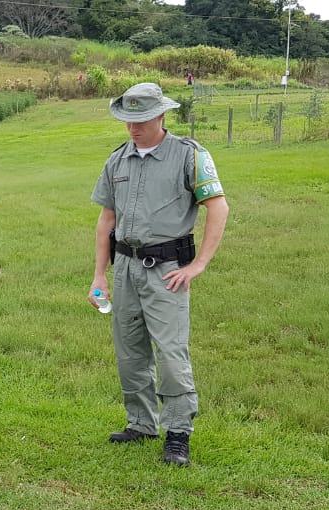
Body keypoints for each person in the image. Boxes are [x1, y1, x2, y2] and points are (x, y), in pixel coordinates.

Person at [89, 82, 229, 466]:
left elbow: (218, 207)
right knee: (129, 351)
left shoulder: (189, 155)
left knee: (170, 353)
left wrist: (198, 265)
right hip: (125, 268)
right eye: (128, 121)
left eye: (142, 120)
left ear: (162, 115)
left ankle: (178, 433)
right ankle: (141, 423)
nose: (133, 128)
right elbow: (106, 220)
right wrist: (99, 276)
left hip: (167, 270)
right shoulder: (118, 160)